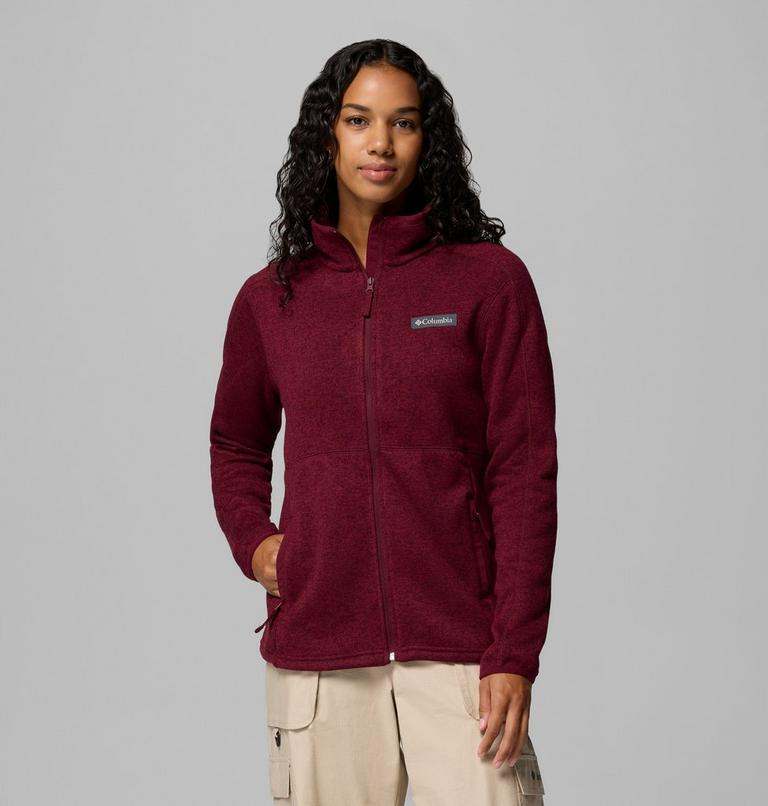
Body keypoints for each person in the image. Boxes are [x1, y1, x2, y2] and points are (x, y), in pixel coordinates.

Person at [209, 38, 557, 805]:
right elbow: (235, 442)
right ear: (327, 135)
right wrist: (257, 544)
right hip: (320, 658)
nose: (381, 143)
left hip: (462, 650)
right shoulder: (271, 299)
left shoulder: (489, 282)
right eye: (359, 120)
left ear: (428, 141)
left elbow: (524, 470)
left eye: (403, 122)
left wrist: (514, 652)